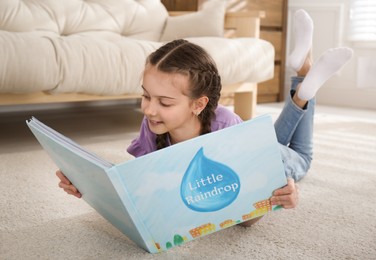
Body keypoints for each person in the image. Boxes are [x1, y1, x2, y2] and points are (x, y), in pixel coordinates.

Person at [56, 9, 353, 226]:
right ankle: (305, 76)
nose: (148, 109)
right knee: (269, 138)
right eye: (145, 95)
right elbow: (141, 184)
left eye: (164, 101)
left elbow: (246, 218)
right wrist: (90, 186)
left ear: (198, 104)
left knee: (300, 154)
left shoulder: (225, 124)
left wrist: (276, 194)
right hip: (253, 143)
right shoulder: (154, 122)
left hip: (279, 159)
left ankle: (303, 88)